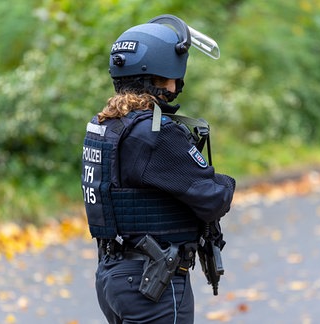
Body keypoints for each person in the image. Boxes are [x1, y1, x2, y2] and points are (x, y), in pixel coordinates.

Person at [80, 14, 236, 324]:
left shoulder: (105, 126)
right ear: (164, 73)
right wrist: (227, 182)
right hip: (152, 283)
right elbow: (213, 197)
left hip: (113, 275)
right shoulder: (155, 134)